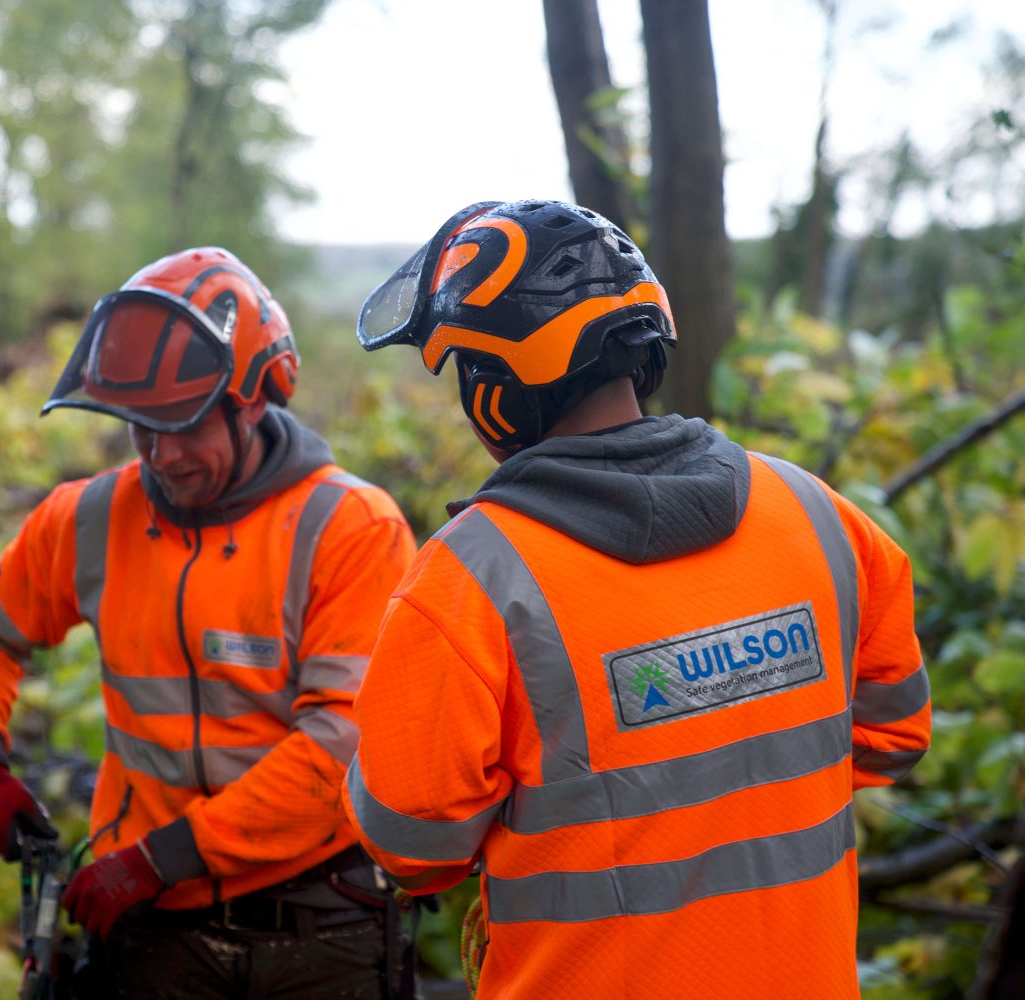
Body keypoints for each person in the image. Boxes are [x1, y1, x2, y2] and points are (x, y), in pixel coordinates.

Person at [341, 199, 931, 998]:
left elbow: (412, 846)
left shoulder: (471, 579)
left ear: (496, 388)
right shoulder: (816, 514)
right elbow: (893, 733)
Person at [0, 246, 418, 998]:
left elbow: (337, 750)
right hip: (155, 926)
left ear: (253, 399)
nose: (163, 454)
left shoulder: (349, 528)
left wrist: (165, 856)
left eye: (184, 425)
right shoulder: (89, 518)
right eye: (141, 428)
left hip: (320, 927)